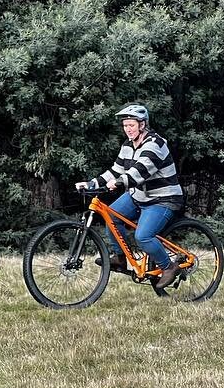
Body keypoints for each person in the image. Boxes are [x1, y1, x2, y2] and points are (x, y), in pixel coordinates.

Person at [77, 103, 186, 288]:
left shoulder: (155, 144)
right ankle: (120, 258)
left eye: (131, 125)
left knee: (143, 236)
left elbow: (139, 171)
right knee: (111, 216)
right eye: (125, 125)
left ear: (142, 124)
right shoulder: (128, 145)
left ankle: (169, 267)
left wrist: (120, 182)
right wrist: (92, 183)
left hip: (163, 199)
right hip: (139, 196)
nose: (128, 129)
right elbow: (115, 170)